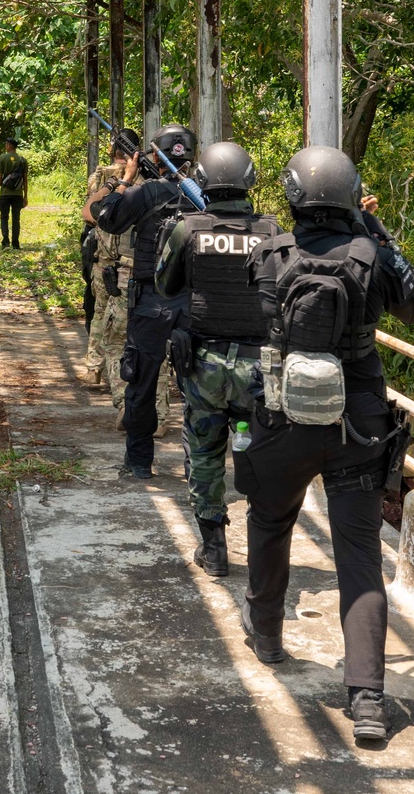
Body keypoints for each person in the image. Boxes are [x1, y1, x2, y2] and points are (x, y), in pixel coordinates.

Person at [238, 145, 414, 741]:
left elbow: (256, 314)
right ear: (350, 195)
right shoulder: (373, 255)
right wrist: (376, 230)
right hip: (358, 425)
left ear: (294, 195)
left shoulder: (269, 252)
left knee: (270, 521)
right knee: (358, 554)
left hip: (282, 419)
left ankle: (267, 633)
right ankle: (368, 698)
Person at [155, 142, 281, 576]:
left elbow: (166, 286)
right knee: (259, 452)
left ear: (204, 182)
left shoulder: (187, 230)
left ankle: (213, 549)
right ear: (249, 180)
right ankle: (265, 546)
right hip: (258, 370)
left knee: (205, 453)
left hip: (205, 366)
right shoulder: (272, 231)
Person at [97, 123, 198, 479]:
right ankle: (196, 467)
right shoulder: (206, 194)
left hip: (151, 301)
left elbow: (106, 218)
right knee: (196, 389)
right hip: (195, 304)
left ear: (154, 155)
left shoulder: (149, 192)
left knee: (141, 382)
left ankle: (139, 464)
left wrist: (125, 179)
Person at [82, 130, 156, 430]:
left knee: (107, 323)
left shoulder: (104, 177)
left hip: (113, 265)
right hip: (137, 267)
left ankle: (96, 369)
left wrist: (118, 181)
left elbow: (89, 213)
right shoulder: (150, 180)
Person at [0, 137, 28, 249]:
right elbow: (25, 179)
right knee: (16, 218)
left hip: (4, 193)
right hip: (18, 194)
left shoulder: (2, 158)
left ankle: (5, 242)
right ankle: (15, 243)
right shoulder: (22, 160)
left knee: (4, 217)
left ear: (8, 146)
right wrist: (25, 196)